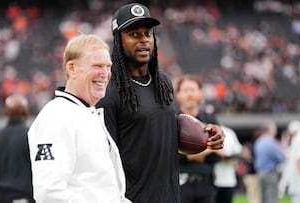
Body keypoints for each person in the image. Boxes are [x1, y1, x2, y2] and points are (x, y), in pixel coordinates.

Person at [96, 3, 224, 203]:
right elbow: (103, 158)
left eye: (147, 33)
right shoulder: (109, 91)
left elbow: (163, 135)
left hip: (170, 196)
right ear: (118, 39)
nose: (144, 40)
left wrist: (207, 135)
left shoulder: (163, 82)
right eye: (134, 34)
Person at [28, 34, 131, 203]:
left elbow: (98, 187)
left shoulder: (86, 112)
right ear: (72, 69)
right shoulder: (56, 117)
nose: (105, 74)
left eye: (108, 67)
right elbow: (49, 193)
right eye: (97, 66)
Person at [174, 74, 221, 203]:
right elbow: (172, 155)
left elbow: (218, 154)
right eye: (185, 90)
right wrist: (205, 150)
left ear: (200, 93)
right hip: (179, 184)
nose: (189, 94)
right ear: (177, 95)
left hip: (206, 183)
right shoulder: (172, 120)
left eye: (193, 90)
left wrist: (189, 153)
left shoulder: (210, 120)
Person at [253, 120, 284, 203]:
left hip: (260, 172)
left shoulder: (259, 141)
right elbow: (279, 158)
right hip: (270, 173)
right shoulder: (271, 141)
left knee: (264, 197)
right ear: (270, 130)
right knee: (272, 197)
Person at [213, 125, 242, 203]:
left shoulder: (229, 132)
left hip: (228, 180)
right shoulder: (206, 128)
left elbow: (238, 152)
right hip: (211, 180)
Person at [279, 120, 300, 203]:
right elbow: (299, 161)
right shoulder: (299, 139)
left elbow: (299, 161)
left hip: (298, 181)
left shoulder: (299, 139)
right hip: (298, 181)